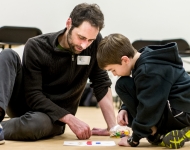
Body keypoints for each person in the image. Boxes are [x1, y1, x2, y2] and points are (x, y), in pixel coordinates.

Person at [0, 3, 116, 143]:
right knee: (7, 54)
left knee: (35, 125)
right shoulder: (36, 46)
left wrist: (112, 127)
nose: (84, 45)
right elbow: (33, 95)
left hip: (53, 118)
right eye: (81, 37)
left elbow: (101, 82)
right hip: (27, 103)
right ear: (69, 23)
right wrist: (71, 119)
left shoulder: (95, 43)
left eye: (90, 40)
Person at [96, 33, 190, 149]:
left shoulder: (147, 70)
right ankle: (156, 132)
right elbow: (142, 91)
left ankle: (162, 133)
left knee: (124, 88)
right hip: (176, 107)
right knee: (123, 85)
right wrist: (124, 108)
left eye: (113, 70)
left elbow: (149, 107)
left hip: (182, 112)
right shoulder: (143, 61)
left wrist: (134, 139)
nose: (114, 74)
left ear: (125, 60)